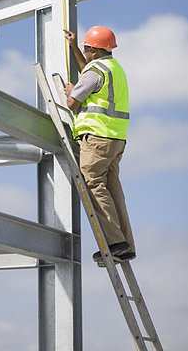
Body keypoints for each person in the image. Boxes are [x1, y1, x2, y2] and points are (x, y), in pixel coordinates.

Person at [63, 26, 135, 263]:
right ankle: (126, 245)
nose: (84, 49)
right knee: (114, 190)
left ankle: (115, 242)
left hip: (97, 137)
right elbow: (89, 73)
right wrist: (74, 47)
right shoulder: (114, 69)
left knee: (92, 183)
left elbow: (73, 103)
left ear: (94, 50)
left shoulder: (94, 72)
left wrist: (72, 91)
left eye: (86, 47)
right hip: (116, 139)